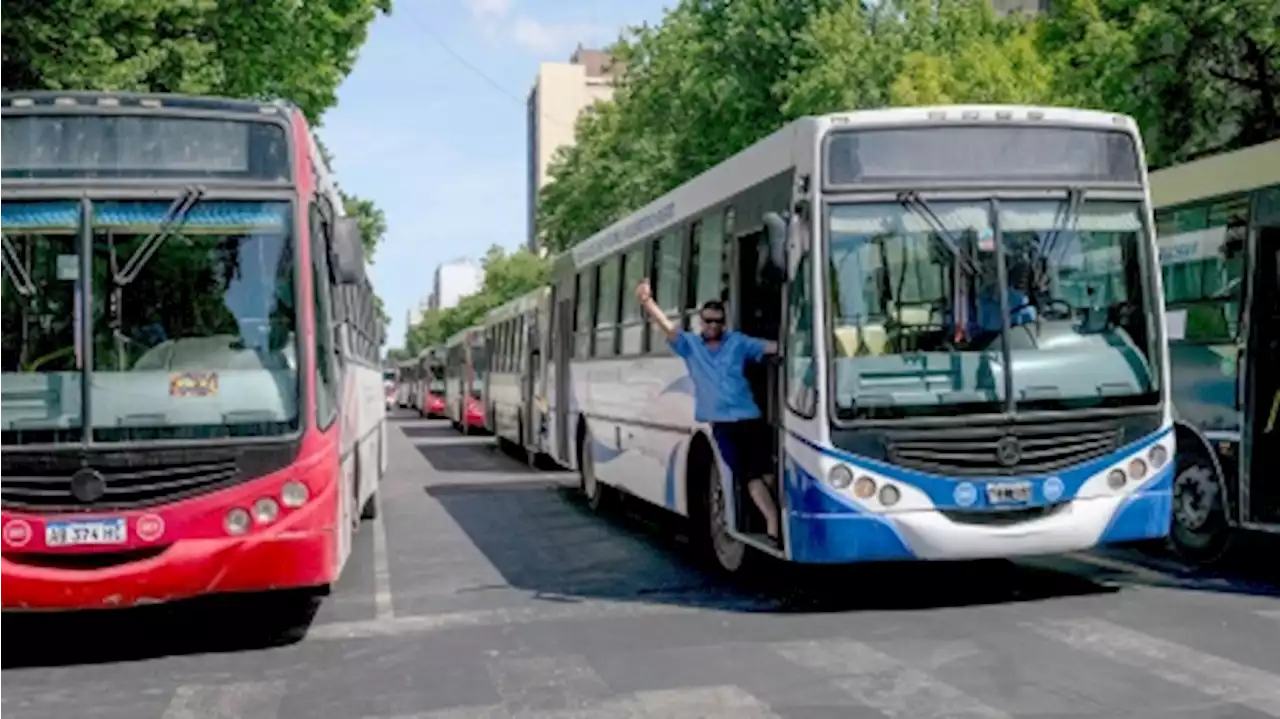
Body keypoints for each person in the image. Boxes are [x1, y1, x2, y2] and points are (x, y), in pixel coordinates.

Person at [634, 278, 782, 542]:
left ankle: (778, 518)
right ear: (701, 322)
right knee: (749, 475)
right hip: (722, 424)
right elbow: (666, 327)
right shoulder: (690, 346)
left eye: (718, 321)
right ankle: (772, 521)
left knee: (768, 474)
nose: (713, 326)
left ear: (724, 323)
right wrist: (647, 302)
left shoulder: (737, 342)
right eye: (708, 321)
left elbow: (770, 348)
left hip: (750, 417)